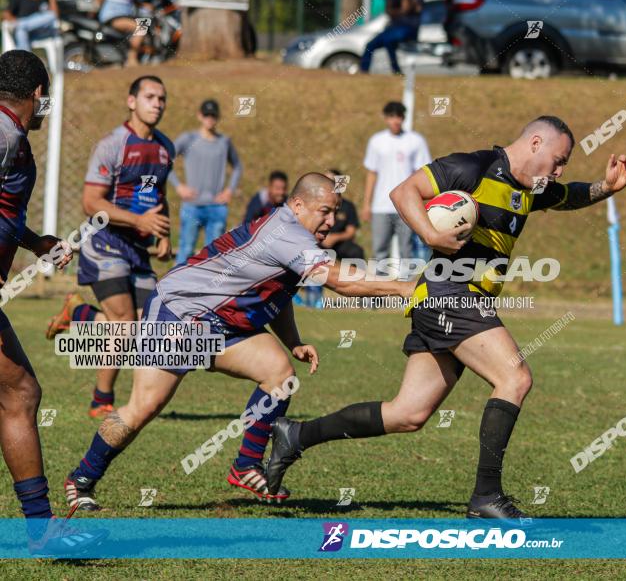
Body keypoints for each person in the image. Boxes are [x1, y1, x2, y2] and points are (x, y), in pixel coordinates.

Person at [266, 116, 626, 522]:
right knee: (515, 377)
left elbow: (568, 194)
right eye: (558, 159)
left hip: (453, 300)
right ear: (534, 143)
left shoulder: (531, 188)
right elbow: (404, 190)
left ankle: (296, 434)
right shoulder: (473, 167)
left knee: (407, 414)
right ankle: (486, 496)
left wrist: (606, 189)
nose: (560, 169)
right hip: (451, 295)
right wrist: (430, 234)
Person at [63, 173, 414, 509]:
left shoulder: (294, 234)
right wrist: (403, 288)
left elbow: (275, 293)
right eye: (325, 211)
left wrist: (292, 341)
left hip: (222, 324)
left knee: (280, 374)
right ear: (297, 205)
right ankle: (81, 480)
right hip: (182, 315)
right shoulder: (287, 233)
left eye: (336, 211)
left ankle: (246, 465)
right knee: (143, 408)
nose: (331, 220)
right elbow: (338, 281)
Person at [0, 50, 107, 556]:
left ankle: (42, 531)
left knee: (18, 394)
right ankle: (41, 531)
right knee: (19, 395)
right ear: (38, 95)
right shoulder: (4, 135)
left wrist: (35, 241)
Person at [45, 75, 174, 419]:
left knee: (153, 324)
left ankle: (79, 314)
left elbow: (159, 196)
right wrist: (138, 222)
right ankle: (101, 399)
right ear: (131, 101)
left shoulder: (165, 148)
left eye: (162, 98)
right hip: (104, 243)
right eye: (149, 97)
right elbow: (91, 202)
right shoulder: (112, 145)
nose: (157, 103)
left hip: (138, 248)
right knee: (126, 325)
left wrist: (164, 235)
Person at [169, 99, 243, 266]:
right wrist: (178, 186)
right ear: (199, 115)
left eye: (213, 115)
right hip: (192, 206)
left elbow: (238, 166)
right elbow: (165, 160)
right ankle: (174, 290)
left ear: (218, 117)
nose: (210, 118)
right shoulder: (188, 139)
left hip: (217, 208)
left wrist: (229, 190)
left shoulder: (224, 142)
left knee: (215, 257)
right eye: (206, 114)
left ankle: (207, 291)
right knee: (186, 250)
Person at [362, 101, 431, 271]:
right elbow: (372, 173)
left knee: (406, 252)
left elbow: (422, 173)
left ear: (403, 118)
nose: (395, 121)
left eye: (399, 117)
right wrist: (366, 204)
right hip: (381, 205)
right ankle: (380, 294)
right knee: (380, 252)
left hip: (406, 205)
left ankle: (405, 295)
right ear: (385, 118)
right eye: (392, 117)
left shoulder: (415, 141)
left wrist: (422, 203)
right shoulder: (377, 141)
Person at [359, 0, 423, 75]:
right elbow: (388, 11)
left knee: (388, 40)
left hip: (408, 28)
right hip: (393, 28)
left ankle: (396, 70)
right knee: (369, 45)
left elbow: (405, 9)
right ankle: (364, 71)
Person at [322, 168, 365, 260]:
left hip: (339, 243)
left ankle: (358, 274)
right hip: (318, 241)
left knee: (356, 251)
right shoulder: (315, 203)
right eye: (324, 181)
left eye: (332, 181)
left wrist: (333, 238)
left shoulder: (348, 206)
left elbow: (351, 232)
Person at [95, 0, 145, 67]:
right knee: (141, 27)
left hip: (120, 14)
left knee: (143, 24)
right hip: (112, 16)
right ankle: (131, 59)